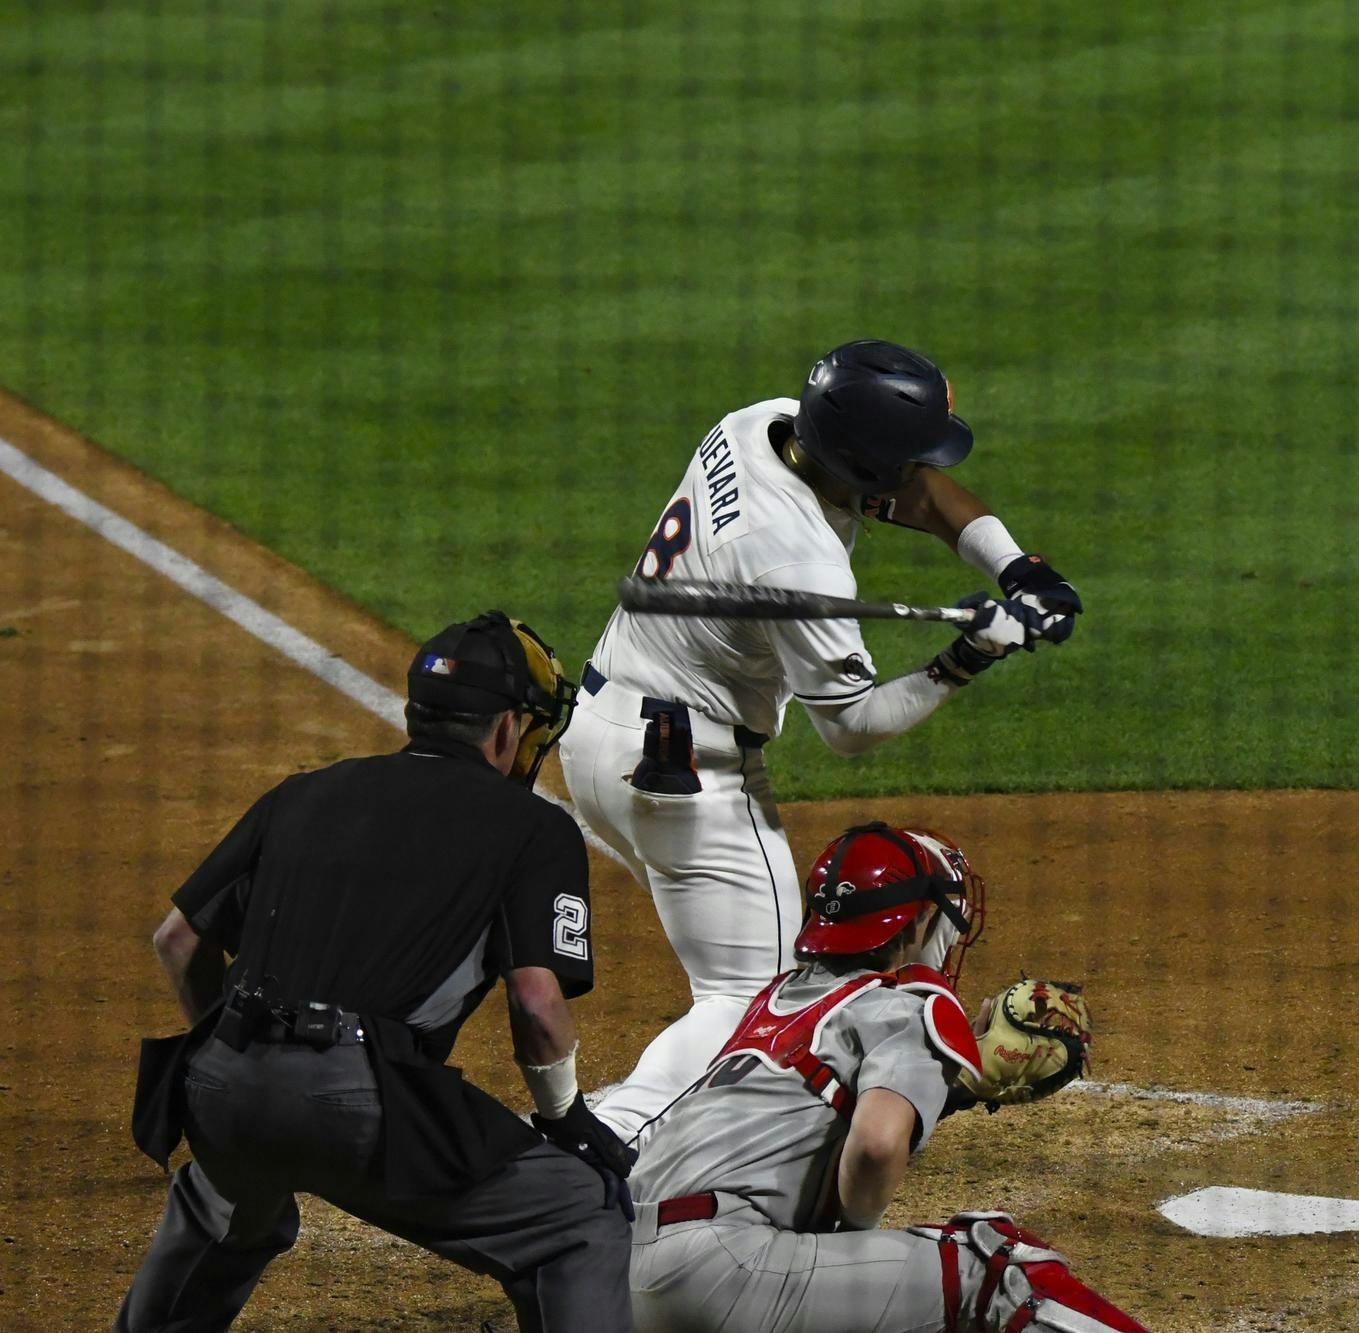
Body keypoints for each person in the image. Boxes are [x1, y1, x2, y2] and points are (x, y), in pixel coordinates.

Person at [562, 339, 1083, 1147]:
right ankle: (604, 1145)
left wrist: (1021, 571)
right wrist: (971, 654)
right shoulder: (793, 554)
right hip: (681, 769)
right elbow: (851, 727)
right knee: (752, 996)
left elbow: (919, 492)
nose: (915, 469)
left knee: (734, 974)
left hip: (605, 733)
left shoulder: (763, 424)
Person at [117, 612, 637, 1333]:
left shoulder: (302, 793)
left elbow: (176, 941)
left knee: (231, 1198)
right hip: (360, 1102)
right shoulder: (533, 826)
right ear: (506, 731)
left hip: (222, 1080)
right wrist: (566, 1116)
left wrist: (233, 1056)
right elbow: (536, 1001)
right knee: (581, 1214)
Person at [625, 822, 1148, 1333]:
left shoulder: (777, 1002)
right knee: (997, 1269)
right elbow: (875, 1145)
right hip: (718, 1275)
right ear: (915, 923)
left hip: (622, 1271)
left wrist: (952, 1087)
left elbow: (817, 1116)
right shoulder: (906, 1012)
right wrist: (850, 1241)